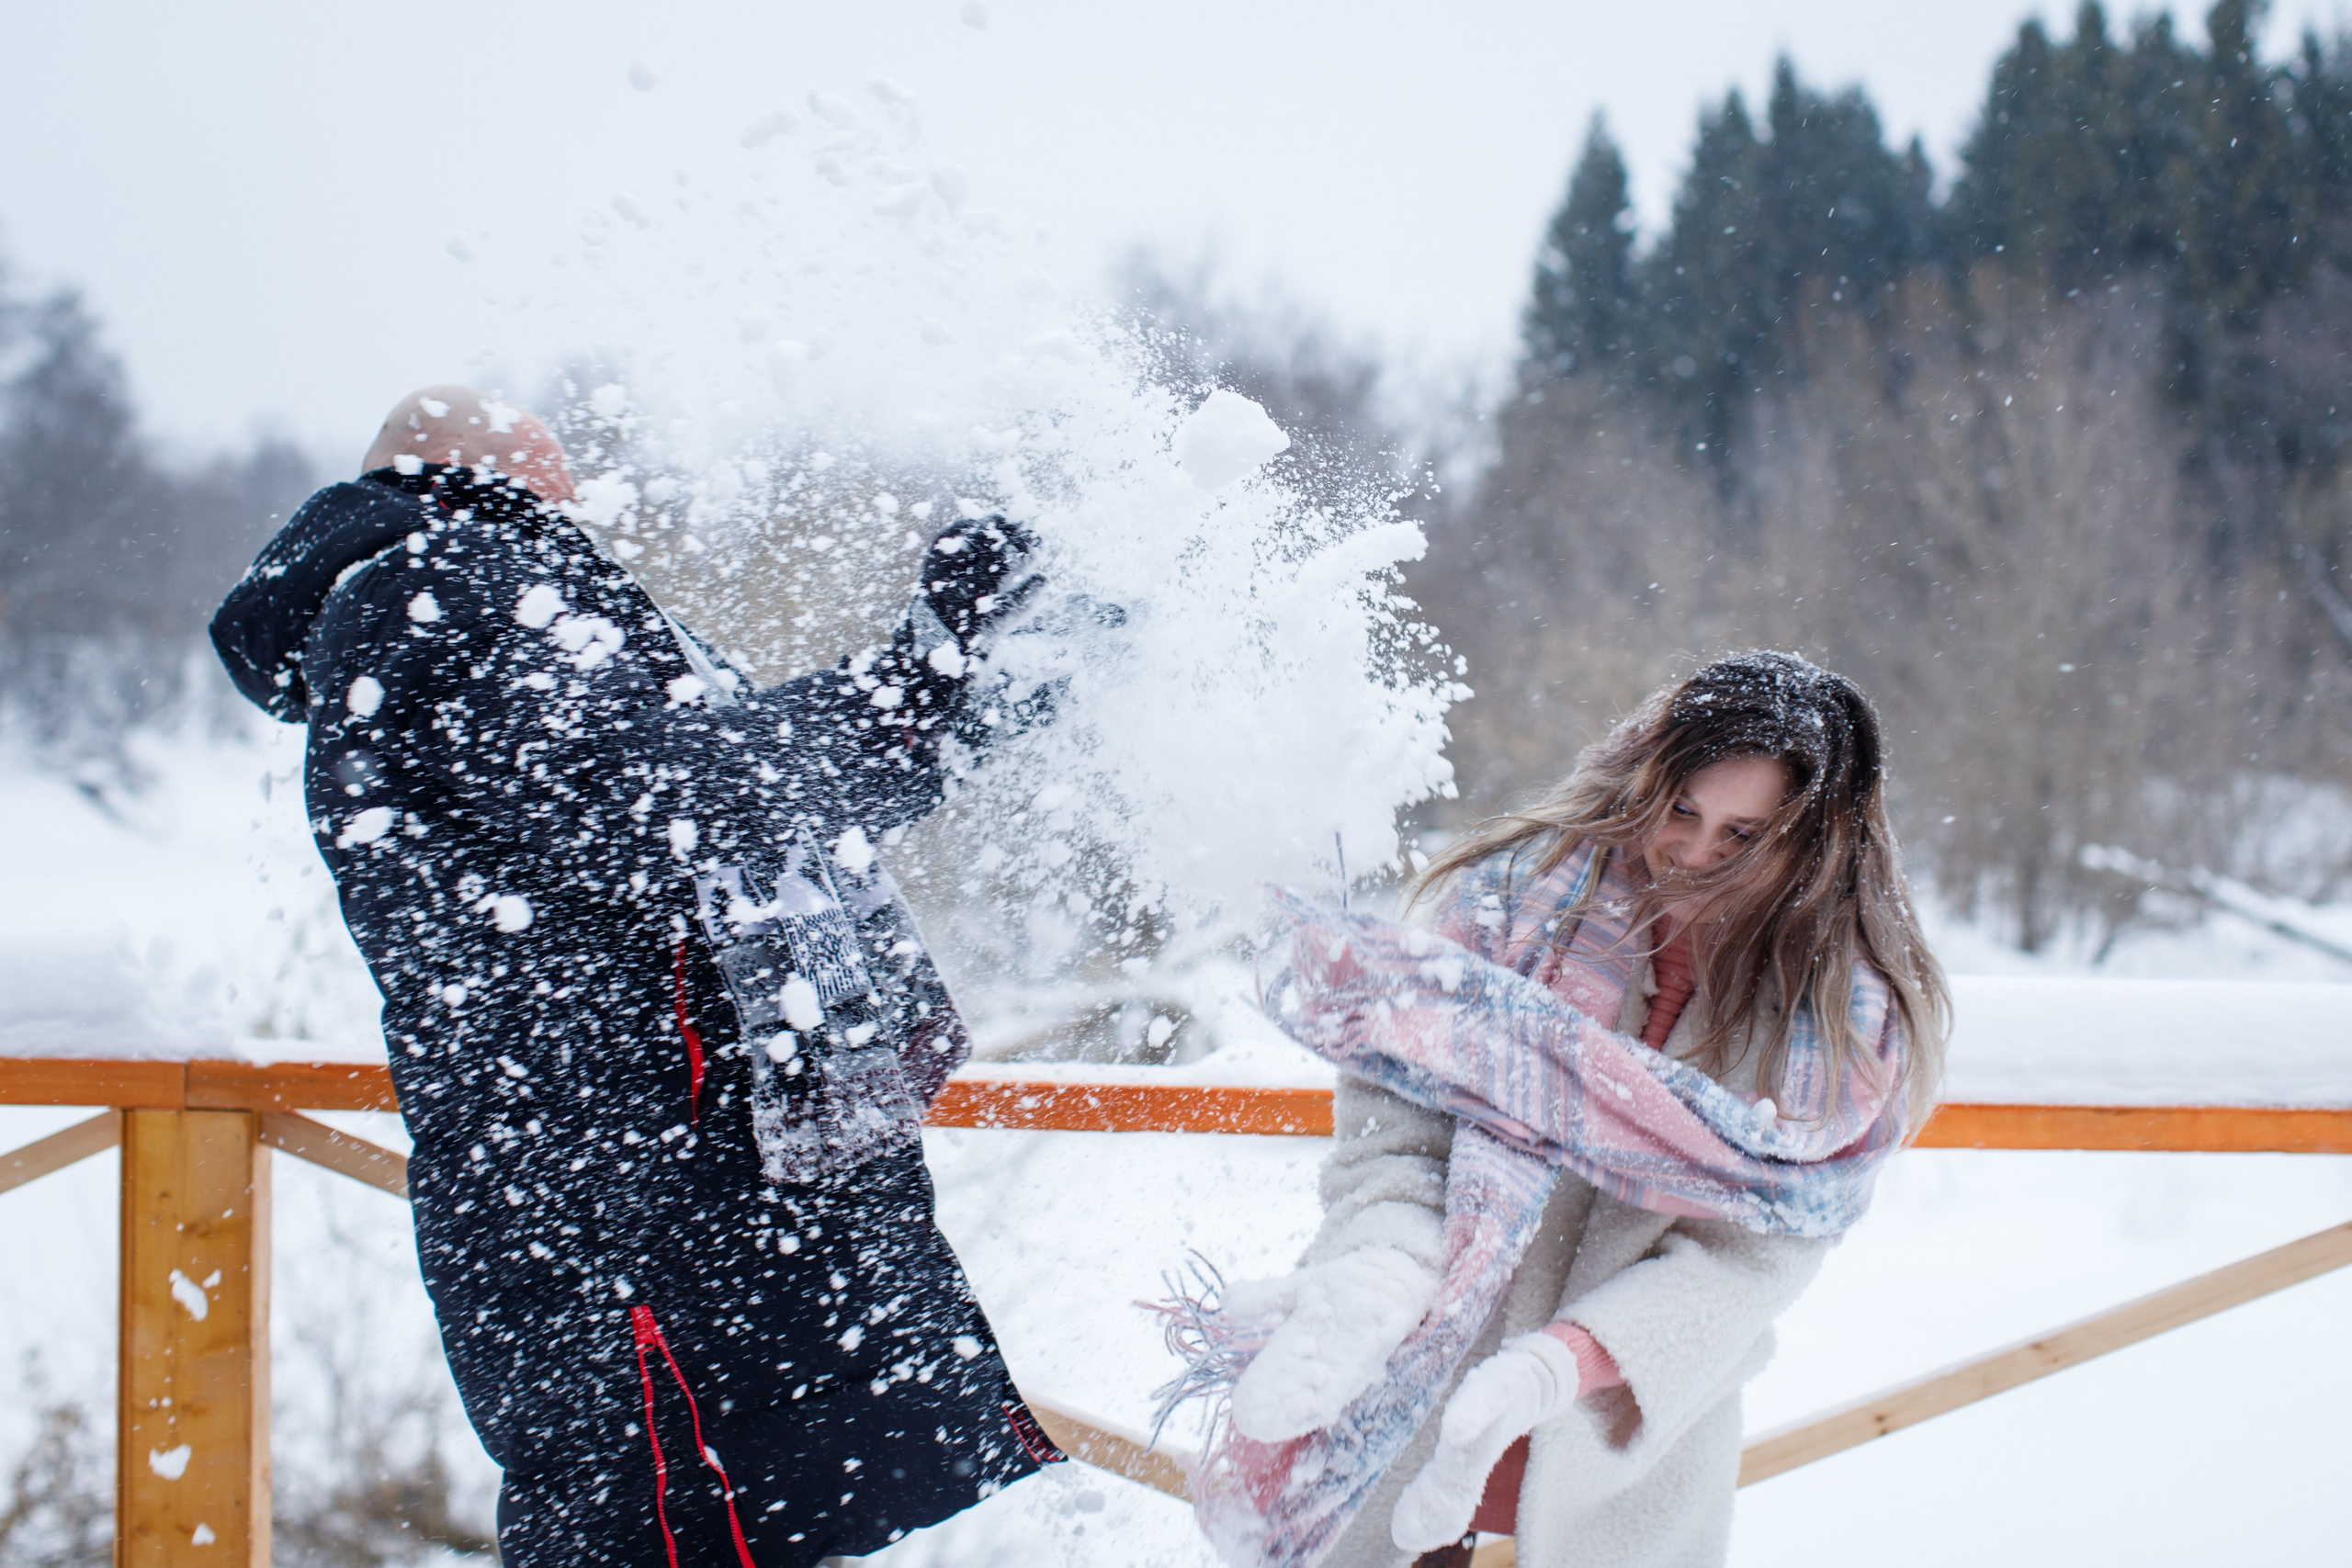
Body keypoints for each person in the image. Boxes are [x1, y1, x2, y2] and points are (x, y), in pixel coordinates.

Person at [210, 386, 1068, 1568]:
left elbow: (720, 796)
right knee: (656, 1515)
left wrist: (952, 701)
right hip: (631, 1198)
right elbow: (672, 802)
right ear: (482, 469)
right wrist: (926, 683)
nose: (575, 484)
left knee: (695, 1508)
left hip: (637, 1181)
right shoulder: (437, 587)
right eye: (548, 459)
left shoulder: (450, 602)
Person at [1173, 651, 1948, 1568]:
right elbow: (1400, 1113)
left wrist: (1556, 1367)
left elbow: (1755, 1257)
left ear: (1813, 842)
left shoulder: (1836, 1020)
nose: (1694, 853)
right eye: (1682, 809)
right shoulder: (1513, 902)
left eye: (1743, 836)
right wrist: (1384, 1260)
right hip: (1406, 1390)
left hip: (1611, 1431)